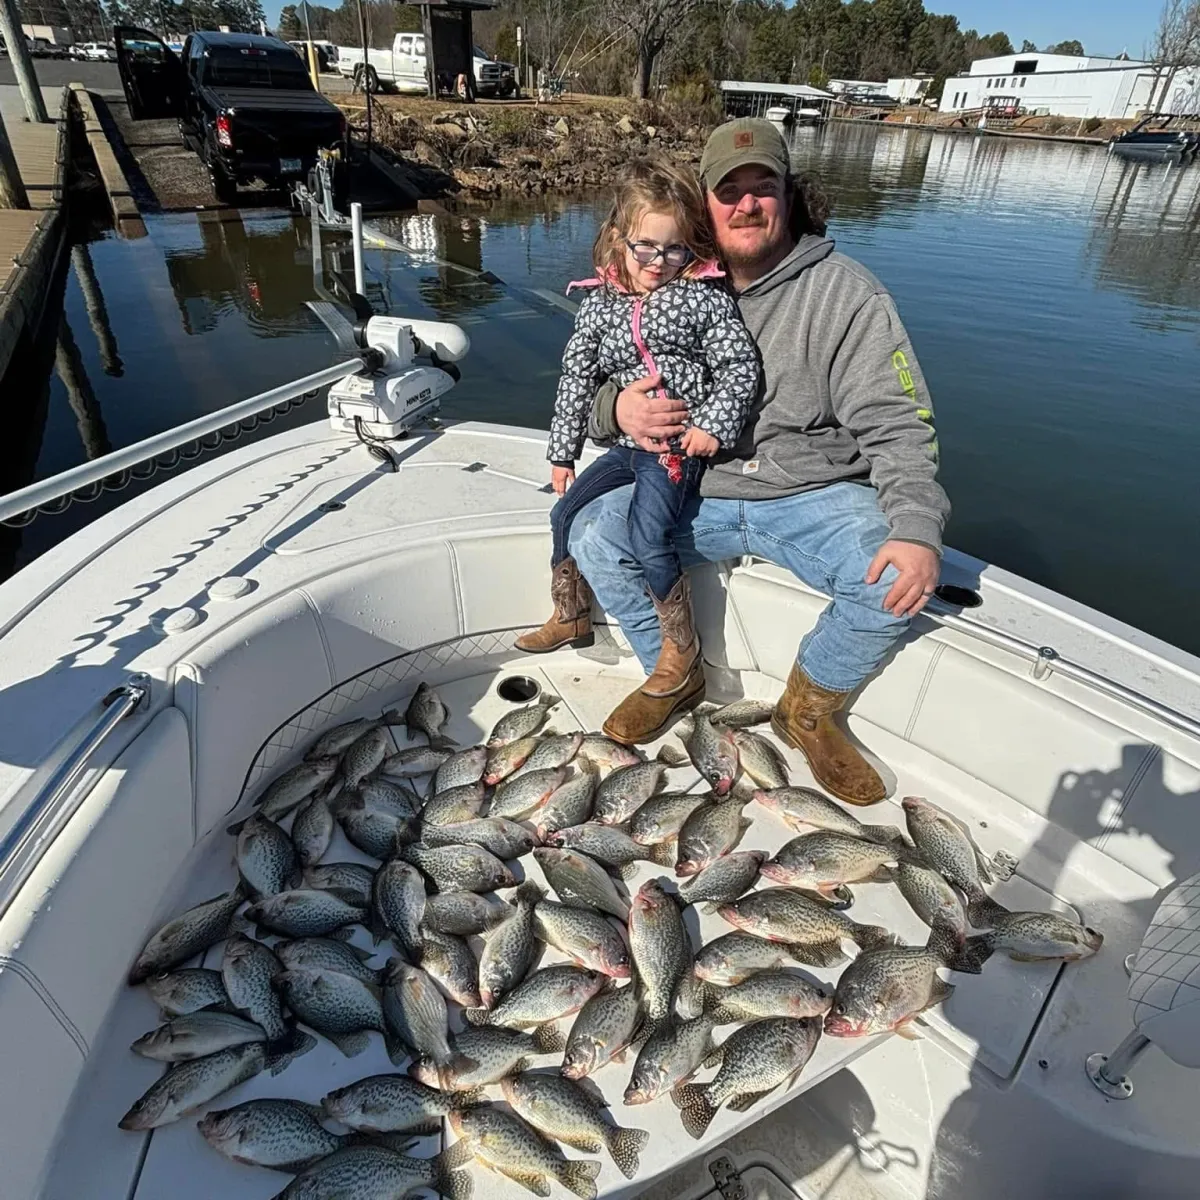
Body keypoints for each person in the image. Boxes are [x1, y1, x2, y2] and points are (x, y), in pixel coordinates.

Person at [568, 118, 949, 807]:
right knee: (594, 534)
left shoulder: (847, 292)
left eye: (762, 187)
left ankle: (807, 708)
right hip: (694, 487)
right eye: (728, 190)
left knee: (895, 579)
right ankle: (672, 671)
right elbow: (591, 374)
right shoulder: (662, 275)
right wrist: (614, 412)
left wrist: (917, 525)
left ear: (787, 195)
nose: (746, 205)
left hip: (813, 491)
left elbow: (898, 421)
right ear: (705, 205)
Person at [516, 157, 759, 710]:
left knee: (648, 537)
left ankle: (680, 647)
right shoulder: (600, 305)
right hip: (626, 446)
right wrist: (563, 452)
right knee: (562, 513)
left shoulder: (704, 299)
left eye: (674, 249)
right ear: (618, 238)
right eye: (644, 246)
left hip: (674, 449)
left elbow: (739, 367)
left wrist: (710, 428)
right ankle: (572, 613)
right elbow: (577, 377)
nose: (659, 261)